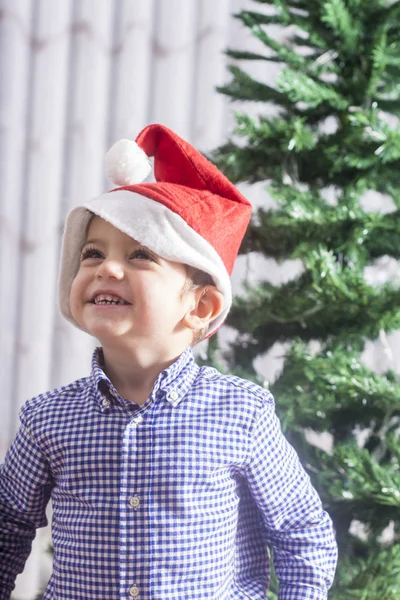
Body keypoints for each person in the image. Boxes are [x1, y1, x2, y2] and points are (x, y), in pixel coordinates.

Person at [0, 124, 337, 600]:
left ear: (200, 307)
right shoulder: (46, 420)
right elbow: (7, 529)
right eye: (92, 253)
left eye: (140, 255)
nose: (106, 268)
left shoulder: (241, 414)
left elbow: (301, 531)